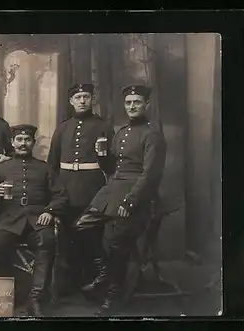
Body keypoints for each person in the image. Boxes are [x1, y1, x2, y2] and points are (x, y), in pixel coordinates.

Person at [79, 84, 167, 315]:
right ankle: (104, 275)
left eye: (137, 102)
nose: (132, 106)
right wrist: (101, 155)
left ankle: (112, 296)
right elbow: (111, 169)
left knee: (117, 244)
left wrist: (131, 201)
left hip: (136, 195)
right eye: (128, 103)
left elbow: (150, 176)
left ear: (147, 105)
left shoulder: (152, 135)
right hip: (112, 190)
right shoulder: (121, 132)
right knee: (83, 226)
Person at [0, 124, 68, 316]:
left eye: (27, 140)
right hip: (9, 219)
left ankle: (35, 298)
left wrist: (49, 211)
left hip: (36, 219)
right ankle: (11, 292)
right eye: (19, 140)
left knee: (46, 241)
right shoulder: (2, 168)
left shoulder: (44, 168)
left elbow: (61, 195)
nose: (23, 144)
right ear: (12, 142)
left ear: (33, 143)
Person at [46, 83, 115, 296]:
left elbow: (111, 167)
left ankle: (93, 286)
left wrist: (102, 157)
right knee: (67, 240)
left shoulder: (103, 126)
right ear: (71, 101)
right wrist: (54, 192)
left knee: (91, 237)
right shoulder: (62, 128)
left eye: (86, 96)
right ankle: (69, 286)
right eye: (78, 97)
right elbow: (52, 164)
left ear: (92, 99)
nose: (82, 100)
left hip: (91, 189)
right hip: (66, 189)